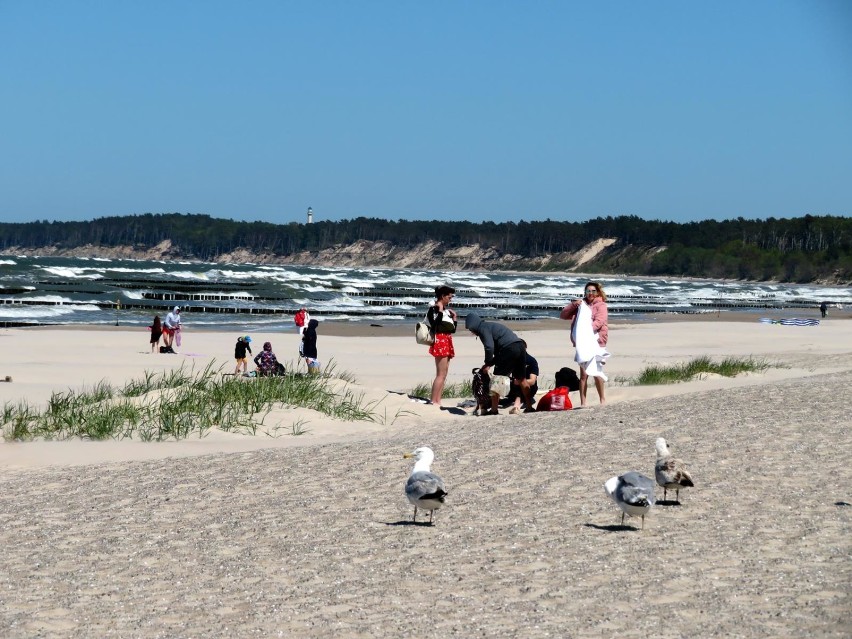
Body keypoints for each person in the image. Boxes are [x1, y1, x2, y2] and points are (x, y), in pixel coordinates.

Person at [464, 313, 531, 415]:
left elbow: (489, 347)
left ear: (473, 325)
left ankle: (494, 410)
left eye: (470, 329)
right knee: (522, 379)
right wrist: (489, 363)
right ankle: (529, 406)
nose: (471, 331)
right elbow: (499, 351)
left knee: (496, 380)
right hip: (519, 346)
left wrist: (487, 363)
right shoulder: (490, 325)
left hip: (509, 349)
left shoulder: (483, 329)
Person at [560, 281, 610, 406]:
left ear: (597, 292)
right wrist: (573, 305)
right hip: (582, 343)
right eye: (588, 291)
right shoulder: (581, 305)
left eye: (593, 291)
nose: (591, 293)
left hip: (597, 342)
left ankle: (602, 400)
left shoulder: (601, 305)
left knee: (596, 371)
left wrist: (584, 332)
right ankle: (583, 402)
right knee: (583, 374)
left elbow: (599, 321)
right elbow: (563, 315)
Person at [427, 285, 458, 408]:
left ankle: (438, 400)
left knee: (444, 374)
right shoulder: (434, 309)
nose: (450, 299)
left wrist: (454, 318)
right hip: (440, 341)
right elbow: (435, 325)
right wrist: (439, 311)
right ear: (442, 296)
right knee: (440, 374)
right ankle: (433, 401)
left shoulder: (445, 311)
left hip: (447, 340)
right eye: (449, 297)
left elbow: (452, 330)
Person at [501, 343, 539, 414]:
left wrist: (519, 382)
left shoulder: (531, 361)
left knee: (521, 385)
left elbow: (532, 381)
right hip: (514, 386)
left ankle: (517, 405)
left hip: (530, 387)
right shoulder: (512, 360)